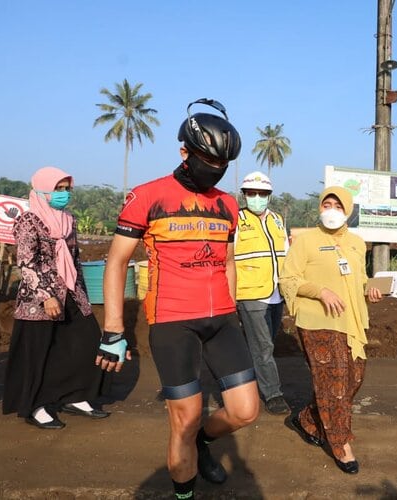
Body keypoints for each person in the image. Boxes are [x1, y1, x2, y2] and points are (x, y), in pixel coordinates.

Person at [100, 99, 260, 499]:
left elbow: (226, 261)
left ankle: (205, 441)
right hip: (173, 322)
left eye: (223, 163)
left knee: (245, 411)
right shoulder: (147, 196)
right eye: (207, 159)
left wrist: (234, 308)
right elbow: (117, 262)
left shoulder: (227, 204)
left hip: (221, 319)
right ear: (184, 152)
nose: (215, 168)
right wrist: (113, 329)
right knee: (183, 423)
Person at [279, 186, 383, 475]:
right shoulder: (306, 241)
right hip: (318, 321)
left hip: (350, 323)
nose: (332, 209)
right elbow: (288, 279)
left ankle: (307, 420)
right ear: (320, 208)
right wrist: (319, 291)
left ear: (347, 210)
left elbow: (359, 280)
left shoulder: (357, 243)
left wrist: (371, 289)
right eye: (327, 203)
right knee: (334, 383)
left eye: (338, 205)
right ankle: (340, 444)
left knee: (353, 379)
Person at [3, 166, 109, 429]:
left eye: (66, 189)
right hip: (39, 298)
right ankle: (36, 406)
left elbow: (75, 260)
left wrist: (83, 294)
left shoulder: (68, 220)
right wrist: (46, 296)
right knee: (38, 352)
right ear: (42, 191)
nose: (63, 194)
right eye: (57, 189)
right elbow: (26, 263)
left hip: (71, 292)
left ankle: (77, 396)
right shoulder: (28, 220)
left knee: (86, 342)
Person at [234, 171, 291, 415]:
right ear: (245, 195)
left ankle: (242, 380)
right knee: (263, 346)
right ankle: (273, 393)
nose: (257, 197)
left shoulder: (277, 220)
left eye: (262, 194)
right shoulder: (236, 221)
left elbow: (286, 254)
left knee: (263, 344)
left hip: (277, 293)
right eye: (252, 193)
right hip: (250, 294)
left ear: (269, 195)